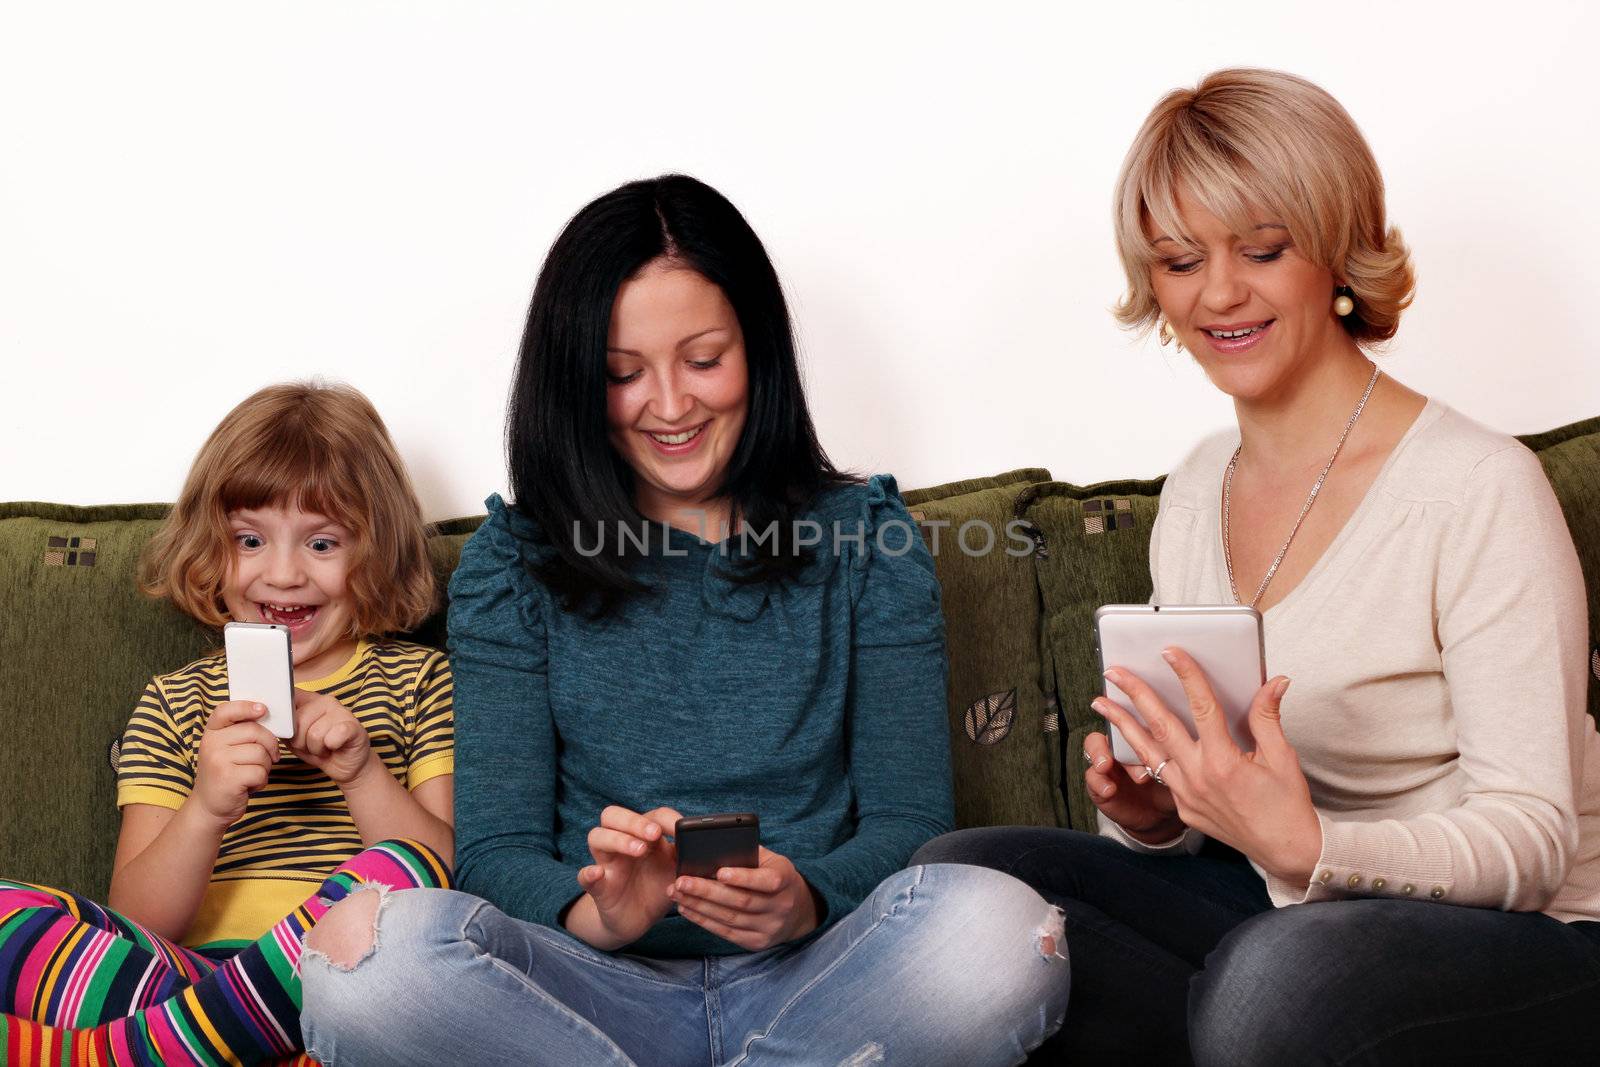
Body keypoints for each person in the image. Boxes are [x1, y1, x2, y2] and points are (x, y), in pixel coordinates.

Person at [297, 174, 1068, 1066]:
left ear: (759, 350)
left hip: (822, 976)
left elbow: (911, 826)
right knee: (360, 951)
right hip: (587, 991)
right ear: (579, 381)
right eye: (624, 374)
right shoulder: (514, 561)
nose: (669, 406)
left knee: (1003, 927)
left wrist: (806, 899)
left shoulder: (868, 539)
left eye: (703, 359)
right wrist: (605, 912)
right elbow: (495, 854)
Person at [914, 68, 1599, 1064]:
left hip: (1530, 937)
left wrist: (1314, 849)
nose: (1219, 293)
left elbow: (1532, 839)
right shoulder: (1194, 489)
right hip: (1286, 910)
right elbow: (1216, 825)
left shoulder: (1478, 487)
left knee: (1274, 981)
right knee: (965, 888)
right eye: (1182, 260)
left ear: (1334, 252)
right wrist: (1153, 818)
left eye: (1262, 250)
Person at [0, 382, 455, 1065]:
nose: (282, 572)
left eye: (322, 543)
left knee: (402, 869)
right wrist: (206, 808)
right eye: (249, 538)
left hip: (341, 977)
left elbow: (447, 875)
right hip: (180, 978)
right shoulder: (175, 701)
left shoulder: (421, 681)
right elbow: (139, 916)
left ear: (377, 550)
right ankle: (223, 1035)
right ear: (213, 549)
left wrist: (363, 773)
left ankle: (116, 1053)